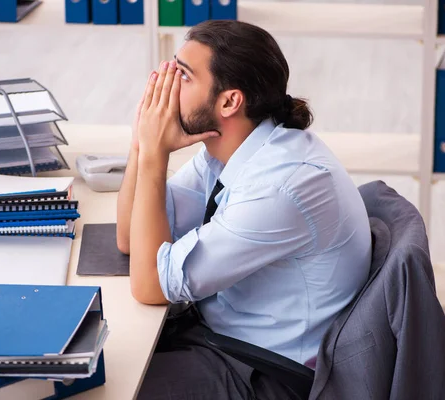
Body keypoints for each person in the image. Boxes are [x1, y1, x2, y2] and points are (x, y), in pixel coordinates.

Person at [116, 19, 372, 400]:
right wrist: (142, 142)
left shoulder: (280, 186)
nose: (165, 86)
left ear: (229, 101)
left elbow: (150, 285)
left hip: (264, 374)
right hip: (220, 339)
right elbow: (129, 239)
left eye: (183, 77)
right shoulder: (230, 149)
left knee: (111, 385)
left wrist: (155, 153)